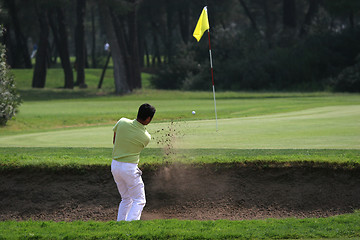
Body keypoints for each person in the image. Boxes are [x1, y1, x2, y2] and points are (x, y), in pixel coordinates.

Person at [111, 103, 156, 221]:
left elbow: (115, 141)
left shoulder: (122, 122)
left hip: (115, 165)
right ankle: (131, 225)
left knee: (126, 198)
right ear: (148, 119)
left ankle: (121, 224)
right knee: (139, 200)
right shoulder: (146, 137)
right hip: (129, 168)